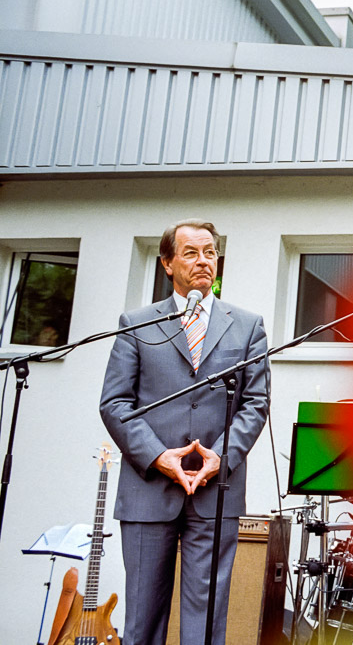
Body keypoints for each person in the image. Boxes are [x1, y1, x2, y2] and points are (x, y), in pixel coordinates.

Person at [99, 220, 269, 645]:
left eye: (210, 252)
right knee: (142, 622)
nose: (203, 261)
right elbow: (115, 403)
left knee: (206, 622)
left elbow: (256, 402)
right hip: (148, 489)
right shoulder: (135, 323)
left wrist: (220, 458)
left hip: (216, 492)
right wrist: (159, 457)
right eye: (191, 253)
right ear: (167, 264)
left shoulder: (247, 326)